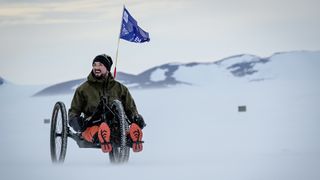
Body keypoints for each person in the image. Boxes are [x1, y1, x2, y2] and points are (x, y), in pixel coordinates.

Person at [68, 54, 146, 153]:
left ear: (107, 68)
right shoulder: (83, 89)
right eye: (94, 65)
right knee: (93, 131)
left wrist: (136, 118)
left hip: (115, 124)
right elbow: (74, 111)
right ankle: (100, 136)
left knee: (128, 127)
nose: (96, 67)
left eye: (100, 65)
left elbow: (130, 108)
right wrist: (75, 120)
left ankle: (133, 136)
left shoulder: (120, 88)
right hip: (92, 122)